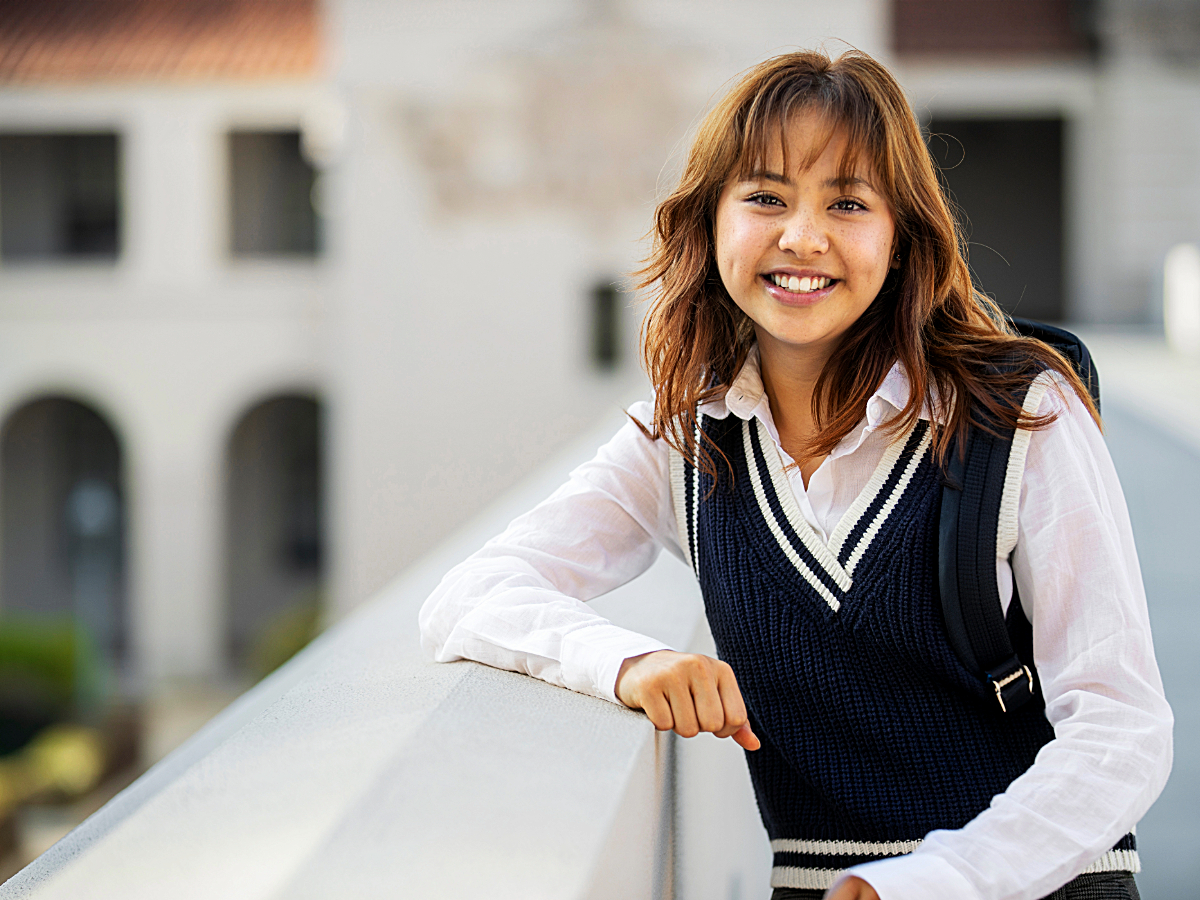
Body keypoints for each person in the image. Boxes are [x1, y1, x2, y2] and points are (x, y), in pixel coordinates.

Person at [419, 48, 1172, 900]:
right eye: (766, 198)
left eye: (847, 203)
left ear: (901, 238)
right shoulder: (684, 437)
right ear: (711, 222)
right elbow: (470, 595)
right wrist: (628, 664)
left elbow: (1122, 725)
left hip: (1036, 883)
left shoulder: (1021, 412)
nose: (801, 237)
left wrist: (935, 880)